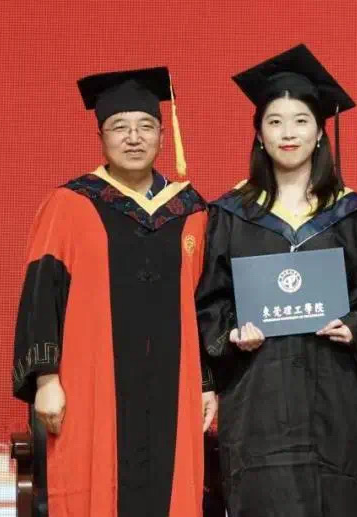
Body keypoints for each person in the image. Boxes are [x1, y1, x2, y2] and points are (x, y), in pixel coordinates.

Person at [196, 44, 357, 516]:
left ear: (320, 132)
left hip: (336, 397)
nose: (288, 133)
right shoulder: (230, 215)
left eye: (300, 120)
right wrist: (231, 334)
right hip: (258, 398)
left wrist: (356, 326)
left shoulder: (354, 214)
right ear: (259, 135)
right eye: (275, 121)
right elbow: (209, 302)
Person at [12, 66, 217, 517]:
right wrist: (46, 379)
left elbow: (204, 302)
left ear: (162, 136)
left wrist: (206, 384)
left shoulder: (191, 211)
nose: (133, 138)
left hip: (174, 386)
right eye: (120, 127)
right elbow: (42, 295)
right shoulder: (70, 205)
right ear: (101, 136)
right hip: (91, 384)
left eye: (146, 126)